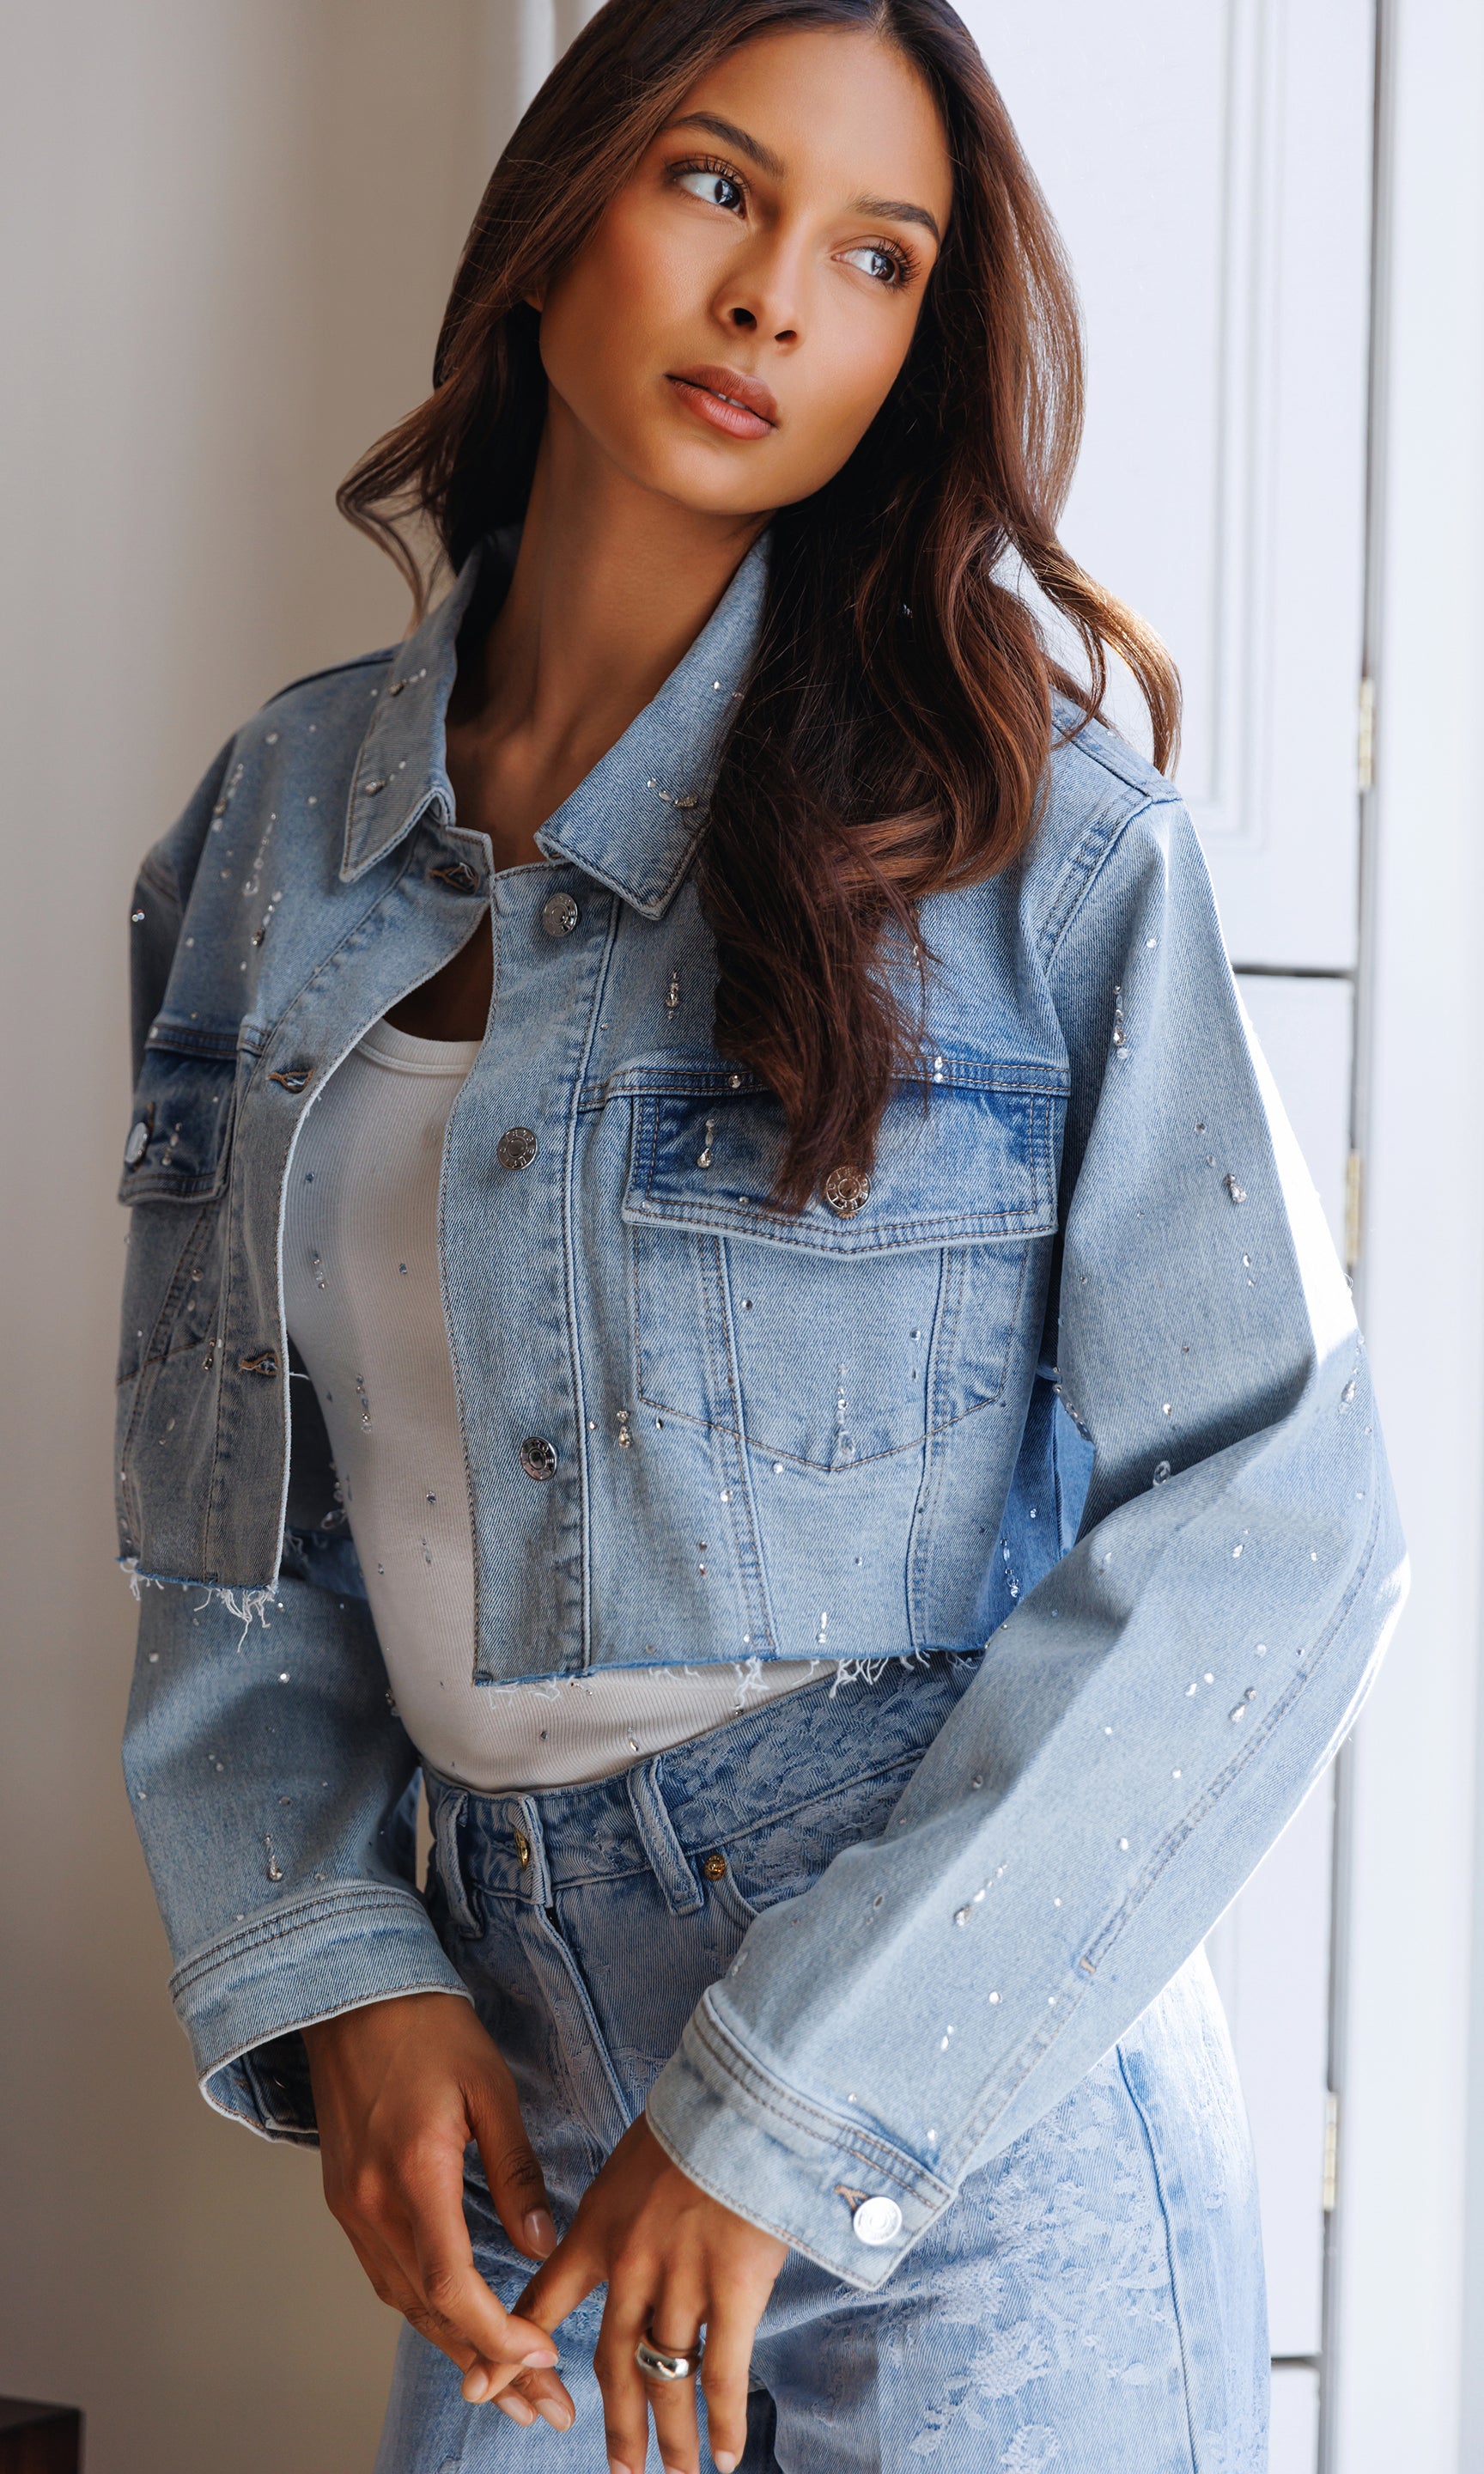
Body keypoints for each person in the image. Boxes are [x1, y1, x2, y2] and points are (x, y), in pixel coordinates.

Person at [117, 0, 1404, 2465]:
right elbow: (225, 1524)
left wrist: (796, 2101)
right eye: (717, 186)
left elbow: (1283, 1526)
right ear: (563, 208)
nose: (773, 297)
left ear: (921, 343)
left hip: (970, 2096)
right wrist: (340, 1969)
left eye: (877, 254)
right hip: (506, 2067)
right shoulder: (264, 839)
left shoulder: (1038, 851)